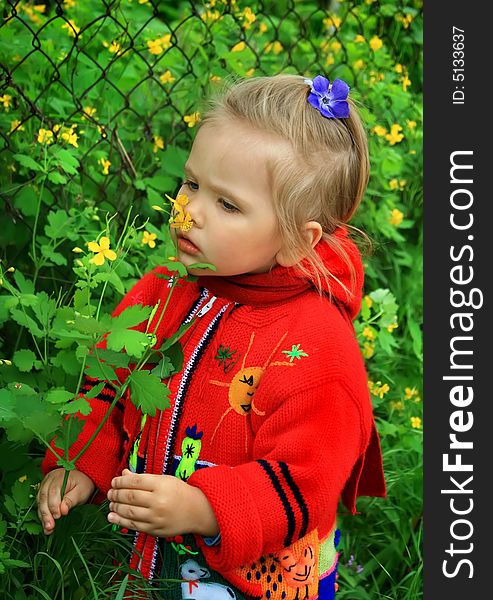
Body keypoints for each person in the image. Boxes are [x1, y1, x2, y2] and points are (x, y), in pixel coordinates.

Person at [38, 74, 386, 599]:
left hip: (253, 581)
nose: (189, 210)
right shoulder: (162, 291)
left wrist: (203, 509)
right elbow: (107, 386)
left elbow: (303, 481)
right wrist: (82, 463)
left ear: (297, 239)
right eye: (191, 183)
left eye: (228, 205)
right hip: (143, 564)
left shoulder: (317, 347)